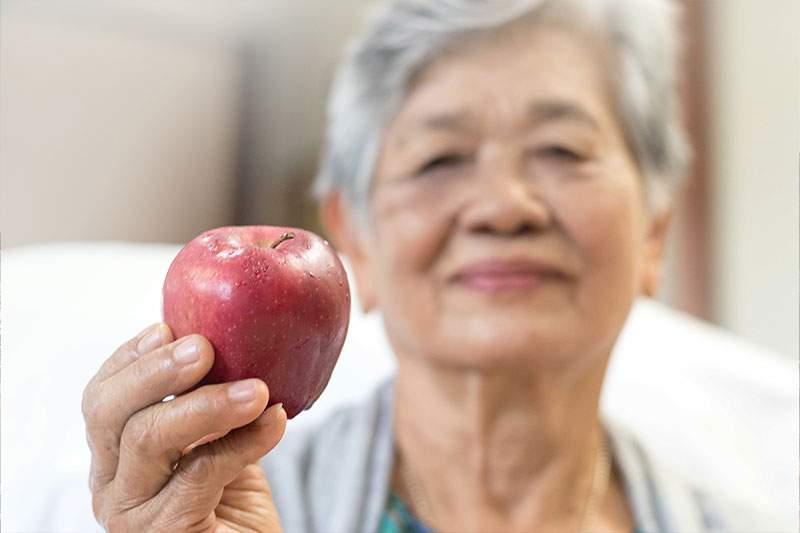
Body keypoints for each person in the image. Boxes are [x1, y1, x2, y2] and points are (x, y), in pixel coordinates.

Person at [81, 0, 737, 531]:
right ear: (354, 243)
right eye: (438, 160)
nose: (503, 207)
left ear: (654, 231)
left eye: (562, 150)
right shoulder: (214, 506)